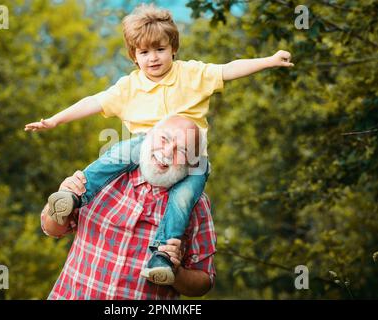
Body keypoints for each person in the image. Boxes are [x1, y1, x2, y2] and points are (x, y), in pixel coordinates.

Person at [26, 4, 294, 284]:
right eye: (144, 52)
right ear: (134, 56)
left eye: (160, 50)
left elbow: (228, 69)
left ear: (173, 48)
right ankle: (75, 196)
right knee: (118, 153)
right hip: (145, 151)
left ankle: (163, 257)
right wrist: (55, 120)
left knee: (183, 200)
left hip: (190, 159)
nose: (153, 58)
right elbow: (93, 102)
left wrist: (268, 60)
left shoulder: (192, 74)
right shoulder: (129, 88)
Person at [42, 116, 217, 299]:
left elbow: (204, 280)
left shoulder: (196, 205)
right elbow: (51, 229)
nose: (167, 151)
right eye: (164, 138)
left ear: (192, 162)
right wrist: (63, 195)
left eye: (182, 150)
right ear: (149, 135)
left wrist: (176, 272)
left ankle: (160, 262)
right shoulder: (104, 179)